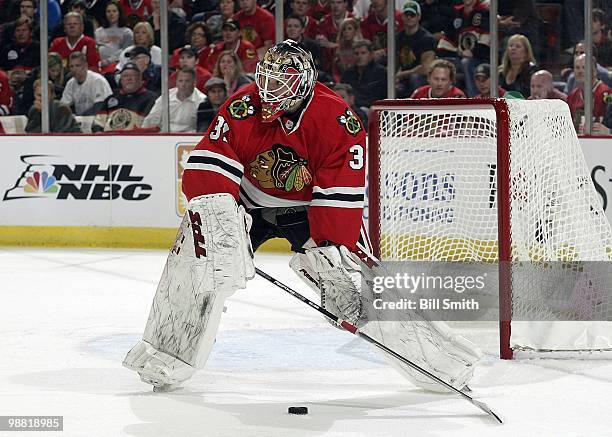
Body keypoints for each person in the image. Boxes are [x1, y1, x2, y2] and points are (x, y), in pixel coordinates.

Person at [122, 39, 481, 394]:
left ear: (304, 82)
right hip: (247, 202)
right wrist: (218, 222)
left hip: (310, 209)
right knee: (198, 260)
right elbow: (209, 164)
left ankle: (439, 362)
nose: (269, 90)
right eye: (266, 79)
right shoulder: (244, 105)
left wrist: (328, 251)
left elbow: (340, 194)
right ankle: (165, 355)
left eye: (281, 82)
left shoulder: (338, 120)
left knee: (355, 283)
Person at [437, 0, 490, 98]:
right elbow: (448, 39)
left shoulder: (484, 12)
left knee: (467, 62)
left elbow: (488, 41)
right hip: (459, 57)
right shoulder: (456, 13)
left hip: (481, 59)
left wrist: (474, 52)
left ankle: (474, 99)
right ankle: (445, 101)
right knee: (441, 64)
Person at [91, 62, 157, 132]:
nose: (129, 78)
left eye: (133, 75)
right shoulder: (111, 98)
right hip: (109, 139)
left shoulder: (151, 98)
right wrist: (99, 133)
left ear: (140, 78)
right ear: (121, 80)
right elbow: (98, 123)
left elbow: (152, 124)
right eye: (125, 76)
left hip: (135, 139)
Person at [143, 67, 207, 132]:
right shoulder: (166, 96)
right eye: (180, 81)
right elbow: (151, 120)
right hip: (164, 136)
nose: (183, 84)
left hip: (188, 139)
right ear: (176, 82)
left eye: (187, 81)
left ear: (194, 83)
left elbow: (202, 128)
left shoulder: (202, 101)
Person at [394, 1, 436, 98]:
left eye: (412, 15)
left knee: (415, 78)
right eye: (406, 14)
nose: (409, 17)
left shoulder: (427, 38)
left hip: (421, 78)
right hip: (402, 79)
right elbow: (394, 61)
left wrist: (401, 75)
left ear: (418, 17)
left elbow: (426, 68)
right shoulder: (397, 37)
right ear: (402, 17)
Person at [567, 54, 612, 132]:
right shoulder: (572, 97)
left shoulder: (608, 94)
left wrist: (609, 131)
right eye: (577, 68)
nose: (580, 71)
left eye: (584, 67)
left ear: (594, 71)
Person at [340, 39, 387, 109]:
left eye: (363, 53)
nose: (359, 56)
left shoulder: (380, 72)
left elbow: (380, 97)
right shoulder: (348, 73)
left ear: (371, 54)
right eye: (356, 53)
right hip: (350, 108)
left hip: (372, 110)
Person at [95, 0, 134, 73]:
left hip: (118, 66)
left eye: (114, 11)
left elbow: (125, 52)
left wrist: (109, 61)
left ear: (119, 13)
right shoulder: (98, 32)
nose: (111, 14)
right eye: (108, 11)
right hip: (100, 66)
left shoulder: (127, 32)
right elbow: (95, 50)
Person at [498, 34, 537, 98]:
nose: (513, 48)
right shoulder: (500, 72)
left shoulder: (531, 70)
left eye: (518, 46)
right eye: (511, 46)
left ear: (526, 51)